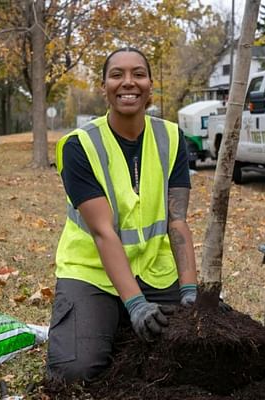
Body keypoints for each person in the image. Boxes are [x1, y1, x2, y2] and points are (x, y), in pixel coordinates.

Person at [47, 47, 200, 383]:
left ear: (150, 85)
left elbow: (178, 221)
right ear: (104, 86)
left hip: (154, 271)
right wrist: (135, 305)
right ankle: (109, 315)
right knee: (74, 371)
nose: (128, 82)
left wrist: (189, 290)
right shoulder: (79, 145)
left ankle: (113, 320)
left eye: (138, 74)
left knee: (195, 349)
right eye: (117, 74)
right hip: (92, 272)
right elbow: (103, 232)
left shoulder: (171, 138)